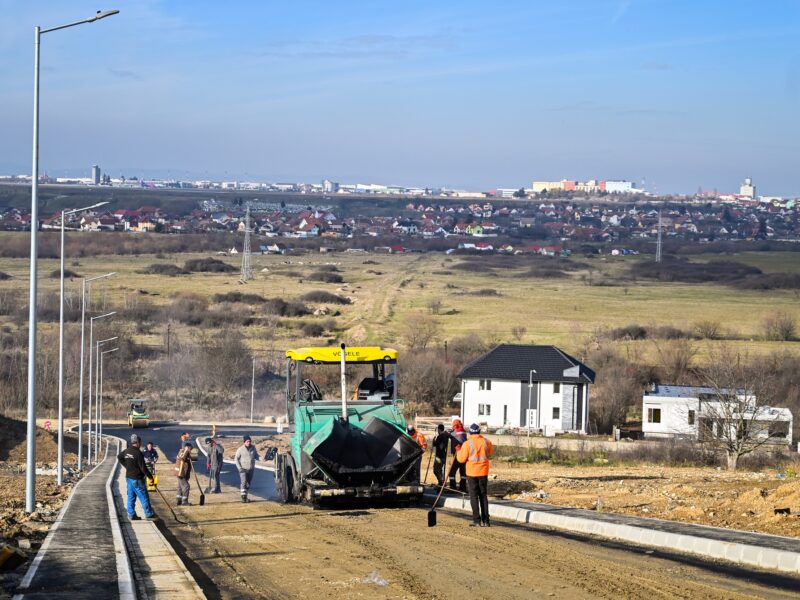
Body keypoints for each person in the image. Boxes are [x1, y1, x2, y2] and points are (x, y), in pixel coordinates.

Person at [456, 423, 494, 527]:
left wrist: (458, 450)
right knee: (483, 496)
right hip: (483, 472)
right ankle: (486, 521)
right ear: (479, 432)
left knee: (474, 497)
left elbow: (461, 459)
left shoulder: (467, 444)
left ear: (470, 432)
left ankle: (477, 521)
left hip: (472, 473)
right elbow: (489, 453)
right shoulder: (487, 442)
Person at [117, 433, 156, 520]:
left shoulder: (126, 451)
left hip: (129, 478)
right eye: (140, 442)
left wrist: (127, 465)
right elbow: (143, 468)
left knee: (131, 496)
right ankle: (149, 514)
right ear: (138, 442)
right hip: (137, 479)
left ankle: (131, 514)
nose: (140, 444)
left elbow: (119, 457)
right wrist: (150, 477)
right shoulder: (138, 453)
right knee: (143, 496)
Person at [235, 435, 259, 502]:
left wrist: (263, 459)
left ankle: (245, 496)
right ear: (244, 442)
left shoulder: (253, 448)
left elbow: (256, 456)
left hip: (251, 469)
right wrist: (239, 468)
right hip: (243, 469)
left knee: (248, 483)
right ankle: (243, 497)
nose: (249, 443)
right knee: (244, 482)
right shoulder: (240, 449)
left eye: (249, 441)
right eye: (247, 441)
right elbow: (236, 459)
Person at [448, 418, 468, 492]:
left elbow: (449, 435)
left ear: (455, 425)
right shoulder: (464, 431)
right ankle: (463, 487)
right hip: (464, 455)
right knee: (463, 472)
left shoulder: (455, 432)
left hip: (458, 454)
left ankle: (453, 487)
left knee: (451, 472)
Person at [175, 442, 193, 506]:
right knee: (186, 486)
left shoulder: (181, 451)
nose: (190, 450)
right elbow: (182, 458)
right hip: (181, 472)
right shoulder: (184, 451)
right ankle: (184, 501)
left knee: (180, 486)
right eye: (190, 448)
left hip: (179, 472)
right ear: (187, 447)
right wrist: (186, 452)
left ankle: (178, 500)